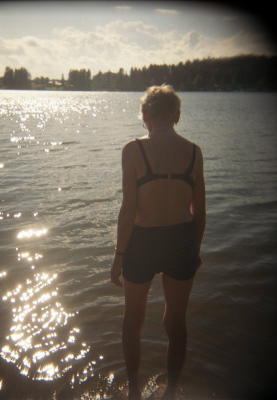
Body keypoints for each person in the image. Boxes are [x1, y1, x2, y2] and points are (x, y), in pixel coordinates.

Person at [110, 84, 206, 400]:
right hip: (182, 240)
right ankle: (172, 391)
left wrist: (118, 255)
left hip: (142, 241)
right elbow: (199, 211)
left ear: (145, 116)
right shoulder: (194, 151)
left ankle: (135, 389)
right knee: (175, 320)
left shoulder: (133, 150)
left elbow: (128, 210)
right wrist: (197, 248)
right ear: (177, 116)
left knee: (133, 317)